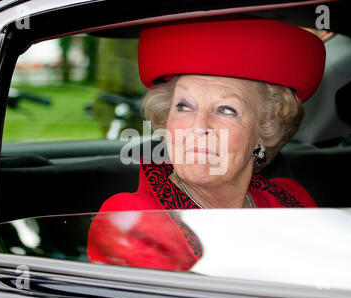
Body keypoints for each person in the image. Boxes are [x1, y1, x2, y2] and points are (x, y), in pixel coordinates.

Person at [87, 16, 325, 270]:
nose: (199, 127)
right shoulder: (132, 217)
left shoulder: (290, 197)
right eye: (184, 106)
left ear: (265, 131)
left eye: (226, 110)